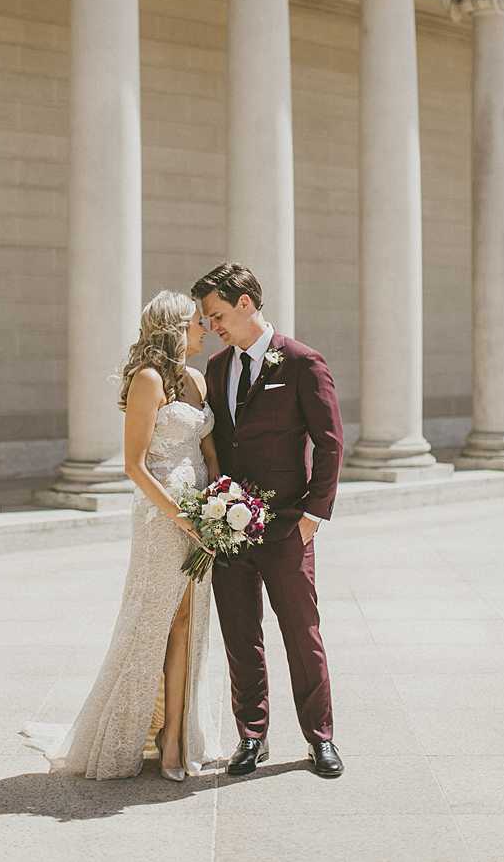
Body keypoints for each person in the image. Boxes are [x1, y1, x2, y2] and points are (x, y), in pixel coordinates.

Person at [20, 290, 221, 780]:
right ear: (175, 326)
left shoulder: (197, 380)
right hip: (162, 519)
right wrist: (181, 516)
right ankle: (135, 731)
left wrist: (222, 503)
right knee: (155, 621)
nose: (205, 328)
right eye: (197, 321)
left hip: (204, 515)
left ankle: (173, 735)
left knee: (189, 625)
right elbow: (134, 465)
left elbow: (210, 451)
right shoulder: (148, 381)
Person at [192, 262, 345, 778]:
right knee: (240, 635)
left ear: (245, 303)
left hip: (286, 527)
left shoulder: (302, 362)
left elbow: (330, 444)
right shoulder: (217, 369)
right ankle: (251, 737)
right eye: (206, 318)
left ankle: (320, 738)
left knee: (302, 635)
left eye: (216, 314)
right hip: (229, 529)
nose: (212, 324)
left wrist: (313, 515)